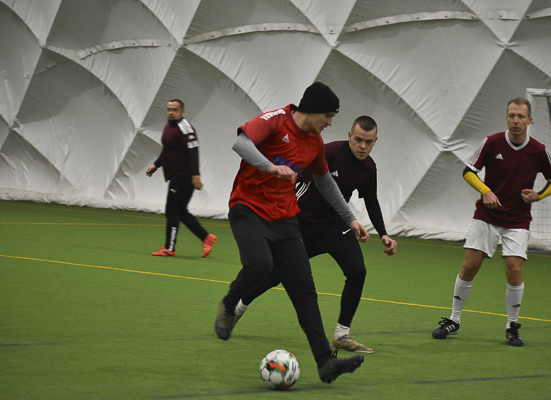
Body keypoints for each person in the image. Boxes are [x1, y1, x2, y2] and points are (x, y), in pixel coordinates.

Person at [214, 82, 369, 383]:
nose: (330, 123)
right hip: (248, 207)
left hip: (285, 218)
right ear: (313, 110)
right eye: (328, 116)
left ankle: (325, 363)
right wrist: (271, 167)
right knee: (260, 265)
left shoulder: (315, 143)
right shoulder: (276, 120)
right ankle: (229, 304)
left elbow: (325, 182)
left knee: (304, 290)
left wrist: (350, 218)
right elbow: (241, 144)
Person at [232, 115, 397, 354]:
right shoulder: (328, 153)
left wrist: (383, 234)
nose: (363, 146)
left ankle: (342, 334)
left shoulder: (369, 168)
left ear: (375, 141)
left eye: (369, 142)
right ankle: (238, 307)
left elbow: (371, 201)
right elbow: (295, 177)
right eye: (358, 140)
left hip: (334, 226)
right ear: (349, 136)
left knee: (357, 271)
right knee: (275, 274)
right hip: (302, 224)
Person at [431, 97, 551, 346]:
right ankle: (454, 320)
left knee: (514, 269)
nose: (516, 120)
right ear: (506, 118)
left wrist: (539, 196)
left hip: (518, 219)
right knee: (469, 266)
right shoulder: (491, 143)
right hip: (487, 216)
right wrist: (486, 191)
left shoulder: (538, 150)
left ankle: (512, 326)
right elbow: (469, 171)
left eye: (520, 116)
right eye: (512, 115)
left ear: (530, 120)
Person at [146, 99, 217, 258]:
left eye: (175, 110)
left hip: (183, 176)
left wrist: (195, 175)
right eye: (169, 109)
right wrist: (156, 165)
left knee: (172, 211)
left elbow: (194, 150)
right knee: (180, 211)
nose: (171, 112)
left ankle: (169, 248)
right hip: (176, 176)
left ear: (182, 112)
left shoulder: (186, 128)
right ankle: (206, 238)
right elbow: (167, 150)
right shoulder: (168, 127)